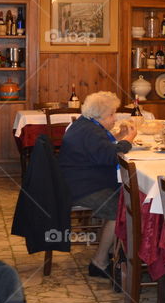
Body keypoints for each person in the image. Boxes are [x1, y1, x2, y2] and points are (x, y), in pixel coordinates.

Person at [57, 91, 137, 278]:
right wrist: (128, 140)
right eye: (112, 114)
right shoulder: (89, 131)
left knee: (124, 198)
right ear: (101, 115)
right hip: (82, 188)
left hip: (79, 180)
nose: (115, 117)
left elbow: (101, 148)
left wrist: (119, 136)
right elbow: (110, 156)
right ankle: (99, 262)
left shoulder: (86, 125)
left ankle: (112, 250)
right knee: (120, 209)